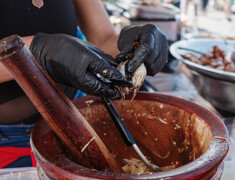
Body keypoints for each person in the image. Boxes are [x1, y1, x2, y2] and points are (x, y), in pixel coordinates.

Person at [0, 0, 169, 168]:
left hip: (76, 116)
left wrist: (135, 43)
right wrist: (35, 51)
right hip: (7, 141)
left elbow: (102, 38)